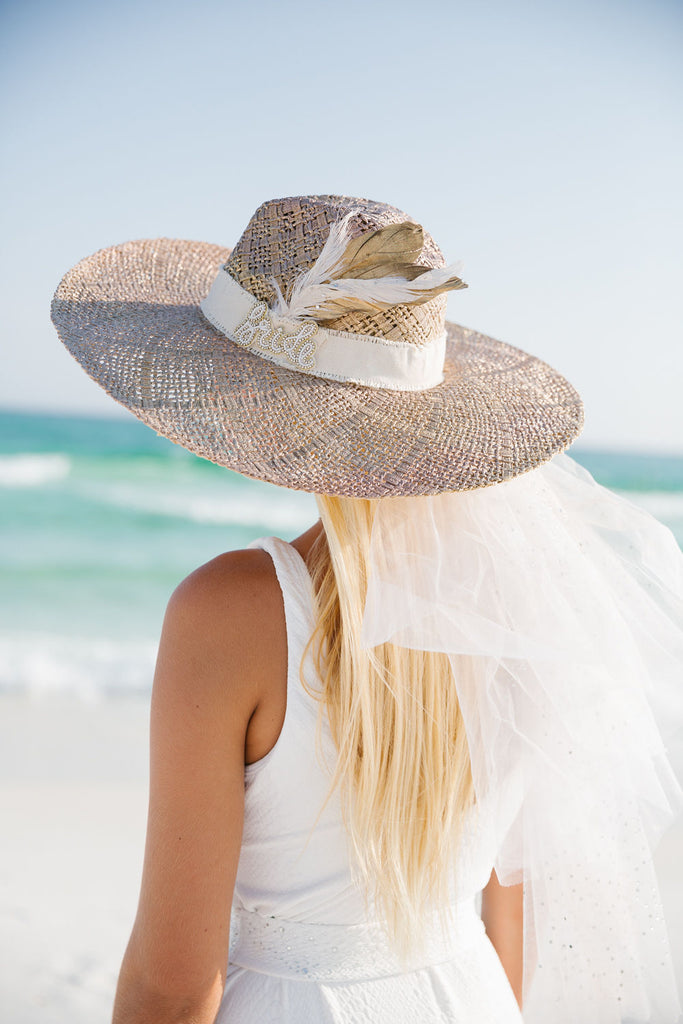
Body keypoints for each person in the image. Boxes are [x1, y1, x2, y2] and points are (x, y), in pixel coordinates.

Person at [51, 195, 683, 1024]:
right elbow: (511, 910)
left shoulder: (231, 611)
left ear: (254, 403)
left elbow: (173, 984)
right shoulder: (524, 606)